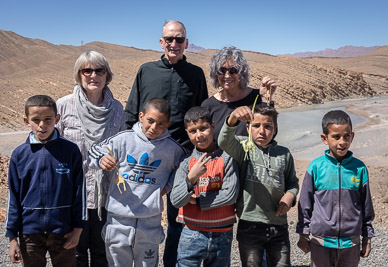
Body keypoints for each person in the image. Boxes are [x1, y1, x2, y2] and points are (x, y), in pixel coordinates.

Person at [123, 20, 208, 266]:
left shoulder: (195, 74)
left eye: (179, 39)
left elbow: (200, 117)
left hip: (181, 157)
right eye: (169, 39)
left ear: (186, 43)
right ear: (161, 42)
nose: (174, 44)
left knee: (178, 218)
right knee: (140, 215)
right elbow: (131, 115)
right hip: (146, 158)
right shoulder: (146, 71)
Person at [87, 98, 186, 266]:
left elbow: (184, 168)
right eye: (150, 121)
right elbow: (93, 151)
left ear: (168, 124)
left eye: (161, 124)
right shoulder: (123, 139)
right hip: (118, 220)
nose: (154, 127)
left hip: (150, 221)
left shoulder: (173, 149)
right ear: (141, 116)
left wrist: (167, 187)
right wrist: (102, 159)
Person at [56, 51, 125, 266]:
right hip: (74, 194)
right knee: (74, 251)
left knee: (102, 251)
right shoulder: (64, 106)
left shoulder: (117, 109)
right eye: (87, 70)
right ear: (79, 75)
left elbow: (123, 148)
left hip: (107, 194)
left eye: (99, 70)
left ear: (107, 75)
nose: (93, 75)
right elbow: (52, 148)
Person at [6, 95, 86, 267]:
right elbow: (13, 196)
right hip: (30, 233)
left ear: (57, 119)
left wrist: (78, 230)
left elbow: (80, 192)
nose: (42, 125)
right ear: (26, 121)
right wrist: (12, 238)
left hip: (63, 231)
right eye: (36, 120)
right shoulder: (19, 155)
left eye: (48, 119)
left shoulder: (70, 151)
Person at [218, 104, 299, 267]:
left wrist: (290, 196)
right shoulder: (244, 147)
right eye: (256, 126)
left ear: (275, 128)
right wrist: (233, 118)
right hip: (250, 224)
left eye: (268, 126)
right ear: (248, 127)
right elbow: (223, 141)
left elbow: (292, 183)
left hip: (279, 224)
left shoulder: (284, 153)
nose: (262, 131)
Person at [296, 110, 375, 267]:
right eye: (336, 137)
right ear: (324, 138)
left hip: (350, 243)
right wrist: (303, 234)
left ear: (352, 136)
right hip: (321, 242)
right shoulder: (316, 167)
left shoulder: (359, 168)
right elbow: (305, 203)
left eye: (346, 136)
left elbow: (366, 206)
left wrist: (367, 237)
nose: (342, 142)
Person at [170, 106, 239, 266]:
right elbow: (176, 200)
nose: (199, 135)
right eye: (193, 131)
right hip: (191, 232)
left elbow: (230, 195)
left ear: (213, 126)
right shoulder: (186, 164)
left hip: (222, 233)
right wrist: (191, 178)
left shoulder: (227, 159)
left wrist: (198, 201)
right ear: (187, 132)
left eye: (203, 128)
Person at [201, 46, 276, 140]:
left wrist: (267, 99)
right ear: (215, 73)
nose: (227, 76)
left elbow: (272, 135)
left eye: (233, 70)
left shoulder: (257, 97)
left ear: (241, 72)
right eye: (222, 71)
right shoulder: (208, 105)